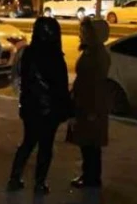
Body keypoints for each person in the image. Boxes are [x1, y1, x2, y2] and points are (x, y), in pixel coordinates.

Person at [8, 17, 71, 194]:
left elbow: (23, 80)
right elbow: (60, 86)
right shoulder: (55, 56)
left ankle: (15, 177)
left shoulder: (28, 53)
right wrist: (65, 108)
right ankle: (39, 182)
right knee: (45, 146)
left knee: (28, 142)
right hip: (49, 109)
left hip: (31, 106)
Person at [69, 19, 111, 188]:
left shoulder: (98, 55)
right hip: (85, 103)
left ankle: (91, 178)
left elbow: (96, 84)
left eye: (84, 32)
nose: (81, 35)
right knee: (87, 143)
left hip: (91, 105)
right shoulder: (91, 52)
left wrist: (92, 109)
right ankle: (89, 176)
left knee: (90, 144)